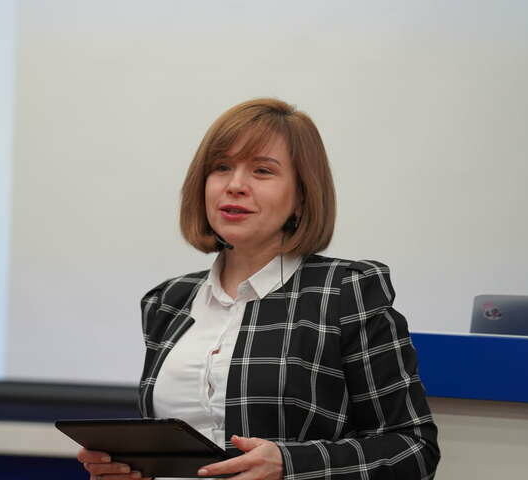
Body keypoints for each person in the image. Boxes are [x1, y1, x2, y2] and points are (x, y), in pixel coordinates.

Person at [78, 98, 440, 480]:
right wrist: (134, 471)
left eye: (262, 171)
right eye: (221, 167)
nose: (235, 185)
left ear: (301, 196)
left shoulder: (346, 292)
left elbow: (414, 450)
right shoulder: (169, 302)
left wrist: (291, 466)